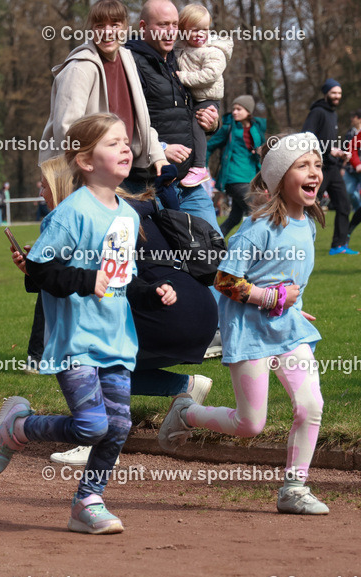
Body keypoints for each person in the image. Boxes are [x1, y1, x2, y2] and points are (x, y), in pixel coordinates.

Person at [0, 113, 176, 534]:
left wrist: (152, 291)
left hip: (117, 340)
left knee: (119, 425)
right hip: (76, 341)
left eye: (126, 142)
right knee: (92, 426)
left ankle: (88, 501)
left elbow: (120, 275)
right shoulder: (72, 213)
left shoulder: (128, 213)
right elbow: (40, 269)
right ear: (86, 161)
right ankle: (18, 428)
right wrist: (86, 280)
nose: (125, 149)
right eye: (113, 143)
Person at [158, 133, 328, 515]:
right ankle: (186, 412)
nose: (314, 172)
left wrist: (295, 307)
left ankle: (294, 488)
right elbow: (224, 281)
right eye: (303, 165)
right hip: (249, 334)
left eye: (317, 165)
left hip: (289, 333)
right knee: (250, 424)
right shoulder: (256, 230)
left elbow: (291, 279)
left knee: (310, 405)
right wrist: (270, 297)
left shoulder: (310, 226)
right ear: (279, 178)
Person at [23, 155, 214, 467]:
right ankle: (183, 388)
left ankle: (81, 438)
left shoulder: (90, 219)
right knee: (108, 362)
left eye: (44, 185)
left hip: (166, 309)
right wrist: (37, 270)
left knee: (94, 354)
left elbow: (113, 283)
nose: (40, 192)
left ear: (61, 188)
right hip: (193, 307)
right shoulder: (124, 212)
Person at [40, 0, 166, 180]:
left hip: (126, 168)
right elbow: (66, 130)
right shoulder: (79, 68)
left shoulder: (128, 59)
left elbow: (141, 122)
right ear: (91, 29)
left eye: (115, 25)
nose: (107, 32)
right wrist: (92, 171)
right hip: (90, 175)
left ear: (125, 27)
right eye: (100, 25)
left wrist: (157, 155)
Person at [127, 0, 220, 230]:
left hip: (189, 183)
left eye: (175, 24)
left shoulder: (182, 57)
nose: (171, 31)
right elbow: (122, 122)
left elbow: (197, 107)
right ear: (143, 26)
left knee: (213, 252)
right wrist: (162, 147)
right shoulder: (129, 63)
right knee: (161, 260)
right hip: (148, 185)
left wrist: (212, 123)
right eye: (163, 24)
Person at [174, 4, 232, 188]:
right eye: (194, 29)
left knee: (197, 125)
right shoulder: (179, 48)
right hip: (193, 98)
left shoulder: (214, 51)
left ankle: (199, 167)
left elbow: (209, 75)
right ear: (183, 30)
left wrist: (182, 77)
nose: (200, 34)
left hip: (207, 98)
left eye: (205, 29)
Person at [303, 78, 356, 254]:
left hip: (332, 168)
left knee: (344, 205)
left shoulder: (333, 114)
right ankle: (295, 241)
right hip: (318, 167)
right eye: (333, 93)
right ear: (326, 93)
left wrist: (341, 151)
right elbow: (307, 137)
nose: (336, 96)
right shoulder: (317, 112)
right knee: (305, 206)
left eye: (339, 93)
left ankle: (338, 245)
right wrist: (328, 150)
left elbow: (330, 142)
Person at [207, 95, 265, 236]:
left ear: (248, 111)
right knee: (257, 213)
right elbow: (209, 146)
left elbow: (262, 150)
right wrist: (201, 166)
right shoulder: (229, 128)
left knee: (235, 217)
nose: (234, 112)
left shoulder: (256, 129)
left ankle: (213, 243)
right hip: (234, 179)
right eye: (233, 109)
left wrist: (258, 151)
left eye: (239, 109)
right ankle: (255, 249)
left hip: (251, 178)